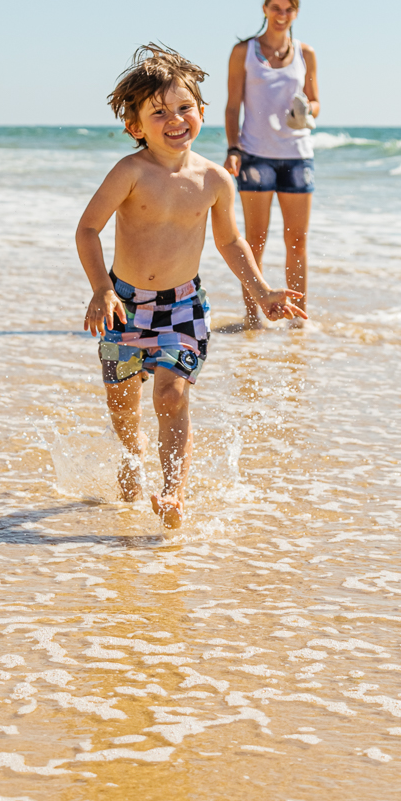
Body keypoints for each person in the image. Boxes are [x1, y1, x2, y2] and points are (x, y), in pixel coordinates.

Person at [76, 44, 305, 528]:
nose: (175, 119)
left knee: (170, 395)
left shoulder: (215, 180)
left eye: (184, 107)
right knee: (122, 404)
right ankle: (132, 456)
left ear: (201, 110)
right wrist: (101, 288)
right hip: (124, 305)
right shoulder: (130, 172)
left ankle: (172, 491)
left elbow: (230, 242)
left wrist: (262, 291)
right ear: (136, 126)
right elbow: (88, 229)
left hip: (183, 307)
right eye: (159, 112)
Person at [223, 0, 319, 327]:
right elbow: (232, 106)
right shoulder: (244, 52)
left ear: (296, 13)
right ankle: (254, 320)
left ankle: (298, 322)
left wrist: (307, 110)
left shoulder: (306, 53)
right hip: (255, 154)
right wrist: (233, 148)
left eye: (288, 9)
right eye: (276, 8)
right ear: (265, 9)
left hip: (297, 155)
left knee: (297, 241)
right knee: (255, 241)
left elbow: (316, 102)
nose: (282, 15)